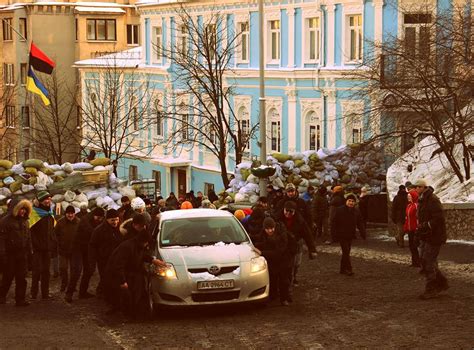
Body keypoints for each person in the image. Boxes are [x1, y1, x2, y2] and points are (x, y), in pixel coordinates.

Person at [104, 230, 166, 318]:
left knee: (137, 292)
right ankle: (130, 314)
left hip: (131, 272)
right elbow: (118, 265)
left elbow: (141, 255)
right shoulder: (127, 247)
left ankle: (135, 313)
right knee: (130, 295)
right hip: (122, 274)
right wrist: (122, 281)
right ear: (143, 241)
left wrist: (152, 260)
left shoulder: (135, 245)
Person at [415, 179, 448, 300]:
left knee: (428, 262)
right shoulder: (422, 199)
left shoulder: (433, 199)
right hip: (426, 235)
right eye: (416, 187)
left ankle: (431, 289)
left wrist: (426, 225)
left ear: (424, 187)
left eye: (418, 187)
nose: (416, 189)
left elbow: (438, 218)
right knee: (426, 261)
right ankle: (441, 283)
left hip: (434, 236)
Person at [65, 207, 105, 303]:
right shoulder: (85, 220)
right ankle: (69, 293)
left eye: (101, 219)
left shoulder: (98, 220)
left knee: (89, 270)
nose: (99, 220)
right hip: (78, 247)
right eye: (98, 218)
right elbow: (93, 232)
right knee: (76, 271)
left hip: (88, 248)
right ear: (94, 215)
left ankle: (83, 292)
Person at [275, 201, 317, 288]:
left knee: (296, 263)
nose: (288, 213)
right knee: (283, 265)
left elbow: (307, 234)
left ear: (294, 211)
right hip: (282, 244)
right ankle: (285, 282)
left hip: (295, 243)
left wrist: (312, 249)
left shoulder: (300, 220)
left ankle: (293, 277)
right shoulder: (277, 218)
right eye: (287, 210)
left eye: (291, 211)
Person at [0, 199, 32, 306]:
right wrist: (2, 254)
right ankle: (1, 296)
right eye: (21, 208)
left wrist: (29, 252)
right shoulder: (5, 221)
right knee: (7, 277)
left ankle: (20, 299)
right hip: (10, 254)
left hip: (22, 254)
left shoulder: (25, 221)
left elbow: (28, 238)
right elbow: (2, 239)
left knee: (21, 278)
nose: (23, 211)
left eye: (24, 209)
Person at [253, 217, 290, 306]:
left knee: (284, 280)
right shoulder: (263, 234)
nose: (270, 231)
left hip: (283, 259)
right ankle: (273, 296)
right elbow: (261, 241)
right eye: (267, 229)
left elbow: (279, 252)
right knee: (272, 279)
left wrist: (262, 253)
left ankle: (284, 299)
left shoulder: (281, 234)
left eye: (272, 228)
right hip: (272, 261)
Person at [89, 209, 123, 298]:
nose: (115, 222)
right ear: (107, 220)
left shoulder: (121, 229)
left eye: (116, 219)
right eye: (112, 220)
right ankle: (106, 295)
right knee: (106, 278)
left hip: (118, 259)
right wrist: (93, 262)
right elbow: (93, 246)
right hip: (104, 259)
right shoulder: (99, 230)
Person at [30, 191, 56, 300]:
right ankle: (33, 294)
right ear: (40, 201)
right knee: (36, 271)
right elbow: (30, 232)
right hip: (37, 249)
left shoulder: (50, 213)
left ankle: (45, 294)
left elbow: (52, 230)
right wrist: (36, 245)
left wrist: (53, 243)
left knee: (46, 272)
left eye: (49, 199)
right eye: (46, 199)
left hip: (47, 248)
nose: (48, 201)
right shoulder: (34, 213)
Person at [331, 194, 366, 276]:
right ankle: (348, 269)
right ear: (346, 201)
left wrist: (363, 233)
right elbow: (334, 223)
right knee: (346, 251)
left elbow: (360, 222)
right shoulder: (340, 210)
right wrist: (334, 235)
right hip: (341, 234)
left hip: (350, 235)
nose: (351, 203)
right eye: (349, 201)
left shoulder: (356, 211)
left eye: (353, 201)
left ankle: (342, 269)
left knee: (346, 252)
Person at [54, 205, 80, 292]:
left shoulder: (78, 222)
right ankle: (64, 284)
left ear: (74, 214)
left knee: (74, 270)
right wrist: (59, 244)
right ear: (65, 214)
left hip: (74, 251)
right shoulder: (60, 222)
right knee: (63, 268)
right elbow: (55, 235)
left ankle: (72, 286)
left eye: (72, 213)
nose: (70, 215)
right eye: (68, 213)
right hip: (63, 250)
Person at [403, 189, 421, 267]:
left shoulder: (416, 206)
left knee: (415, 246)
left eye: (410, 196)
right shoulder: (409, 205)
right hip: (410, 229)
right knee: (411, 246)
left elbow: (418, 218)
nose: (408, 198)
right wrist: (406, 227)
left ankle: (418, 262)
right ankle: (414, 262)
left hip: (415, 229)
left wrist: (418, 227)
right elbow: (407, 218)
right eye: (408, 196)